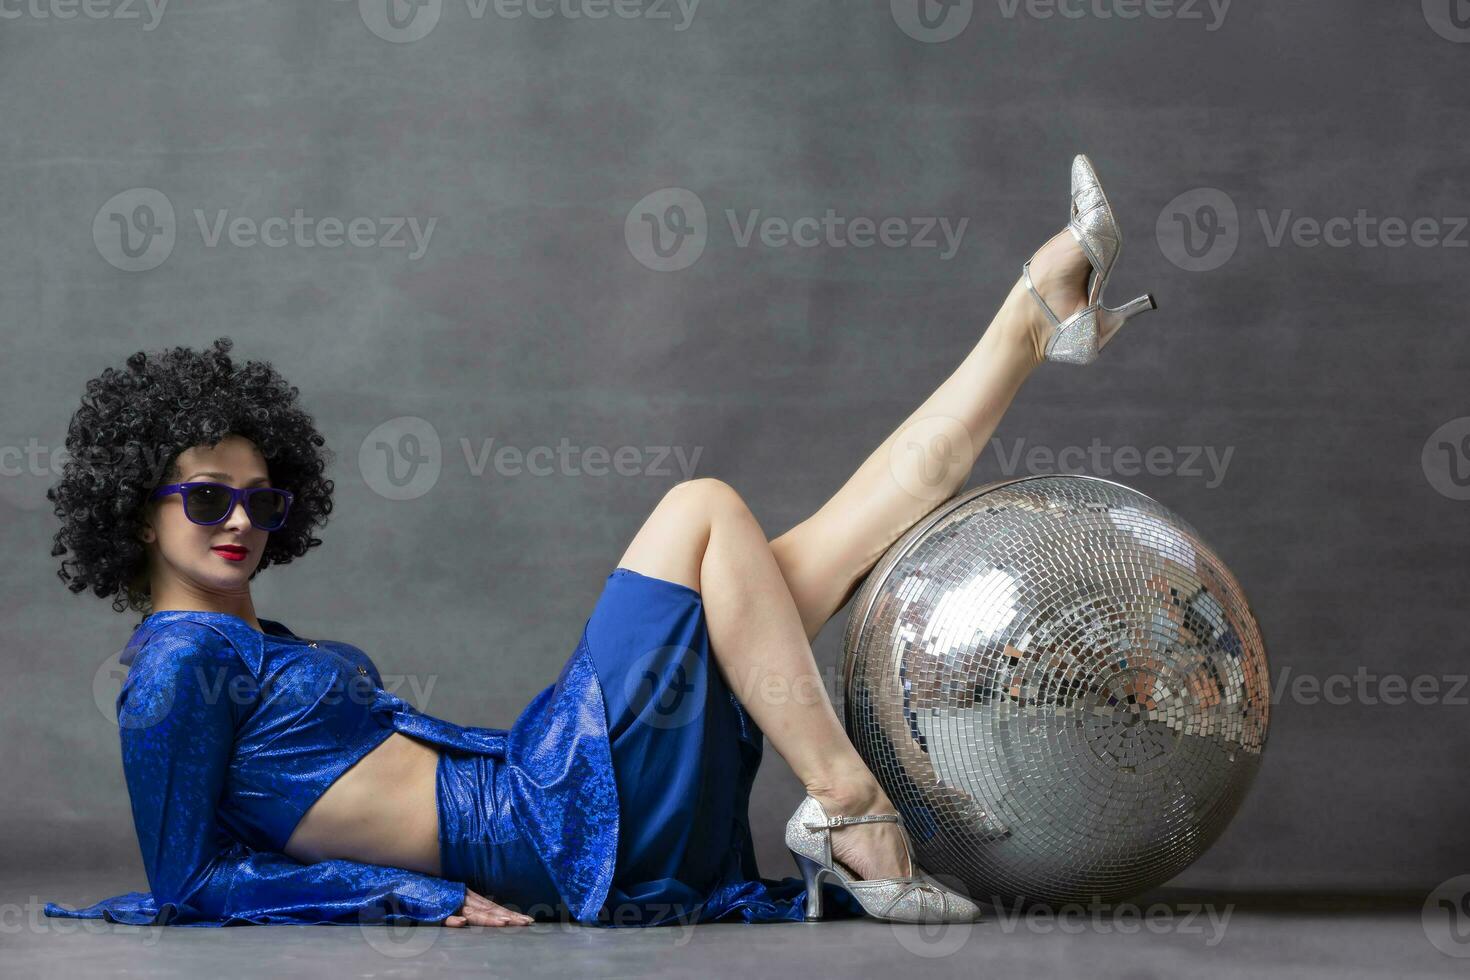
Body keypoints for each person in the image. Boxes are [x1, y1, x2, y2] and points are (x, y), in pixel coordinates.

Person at [42, 155, 1156, 929]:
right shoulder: (180, 666)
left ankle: (1034, 316)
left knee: (829, 545)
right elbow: (192, 877)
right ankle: (851, 806)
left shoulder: (236, 645)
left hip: (560, 797)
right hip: (542, 819)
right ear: (136, 509)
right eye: (204, 501)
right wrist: (415, 898)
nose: (240, 520)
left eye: (261, 501)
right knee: (702, 508)